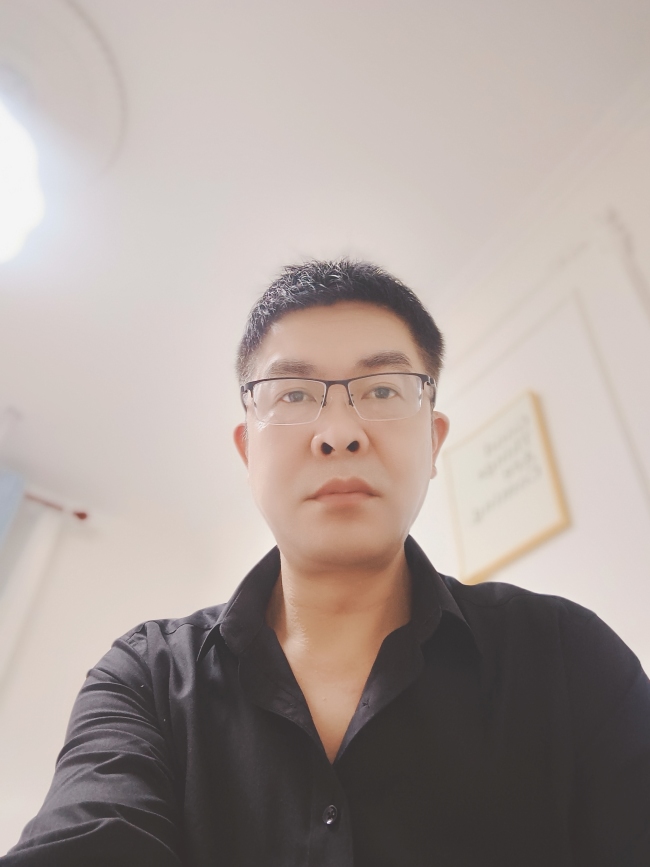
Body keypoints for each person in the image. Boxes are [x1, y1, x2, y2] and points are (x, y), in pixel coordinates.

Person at [2, 260, 649, 866]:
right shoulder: (145, 679)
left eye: (383, 388)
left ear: (433, 441)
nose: (339, 432)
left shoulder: (568, 656)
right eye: (291, 394)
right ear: (247, 451)